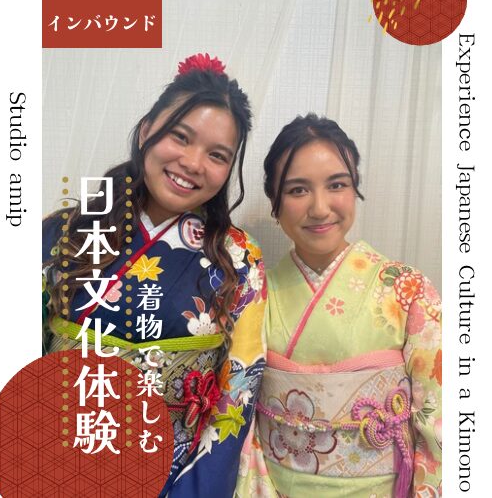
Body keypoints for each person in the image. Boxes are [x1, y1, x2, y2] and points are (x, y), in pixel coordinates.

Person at [42, 54, 266, 497]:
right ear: (146, 130)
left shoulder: (238, 258)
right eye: (180, 136)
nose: (193, 162)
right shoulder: (63, 231)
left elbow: (238, 393)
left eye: (217, 155)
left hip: (172, 478)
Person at [236, 114, 441, 497]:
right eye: (298, 190)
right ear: (274, 203)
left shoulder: (408, 290)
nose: (320, 208)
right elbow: (242, 421)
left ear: (354, 187)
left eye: (337, 185)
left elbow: (441, 419)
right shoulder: (255, 295)